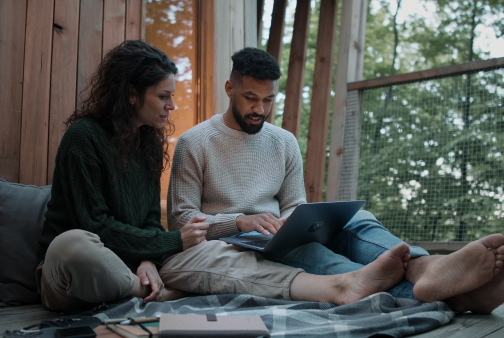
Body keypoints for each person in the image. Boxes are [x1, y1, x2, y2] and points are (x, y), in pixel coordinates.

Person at [37, 40, 412, 312]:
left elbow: (150, 220)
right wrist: (162, 248)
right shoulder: (85, 138)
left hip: (141, 262)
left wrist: (148, 257)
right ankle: (150, 289)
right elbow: (97, 225)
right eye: (163, 97)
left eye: (268, 100)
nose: (172, 105)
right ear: (132, 94)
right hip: (82, 266)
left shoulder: (147, 142)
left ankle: (394, 274)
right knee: (76, 244)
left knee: (351, 221)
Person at [167, 47, 504, 314]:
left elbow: (293, 204)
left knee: (357, 219)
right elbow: (181, 220)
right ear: (230, 88)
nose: (260, 108)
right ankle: (461, 297)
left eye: (269, 100)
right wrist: (240, 221)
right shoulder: (195, 142)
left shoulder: (284, 141)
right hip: (237, 242)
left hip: (280, 231)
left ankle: (423, 265)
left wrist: (295, 221)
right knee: (321, 257)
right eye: (250, 98)